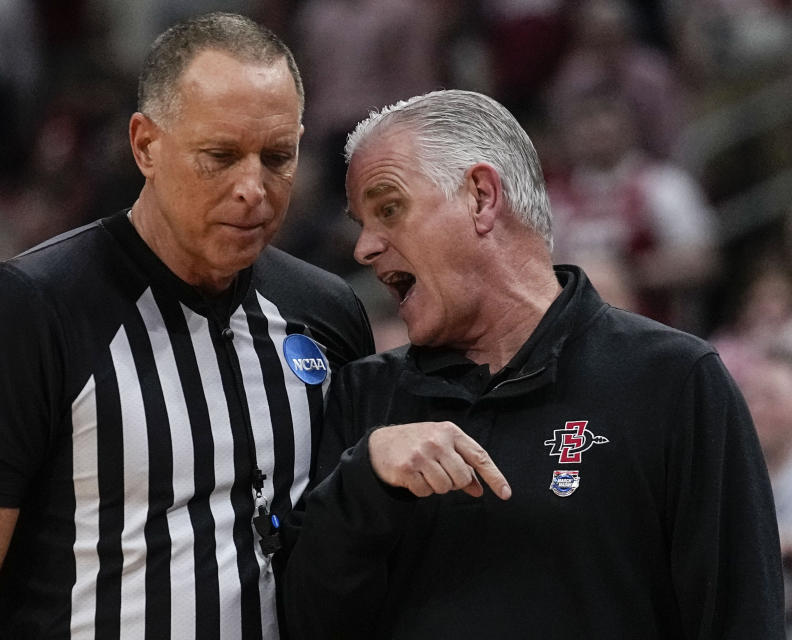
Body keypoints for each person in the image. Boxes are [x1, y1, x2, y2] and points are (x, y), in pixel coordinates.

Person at [0, 12, 374, 639]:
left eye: (277, 156)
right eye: (220, 156)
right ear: (145, 144)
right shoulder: (24, 312)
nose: (253, 188)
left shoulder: (326, 312)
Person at [282, 89, 784, 638]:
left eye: (389, 208)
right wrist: (365, 483)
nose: (364, 249)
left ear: (480, 196)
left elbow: (742, 620)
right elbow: (302, 623)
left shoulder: (674, 380)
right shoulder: (364, 398)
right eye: (360, 222)